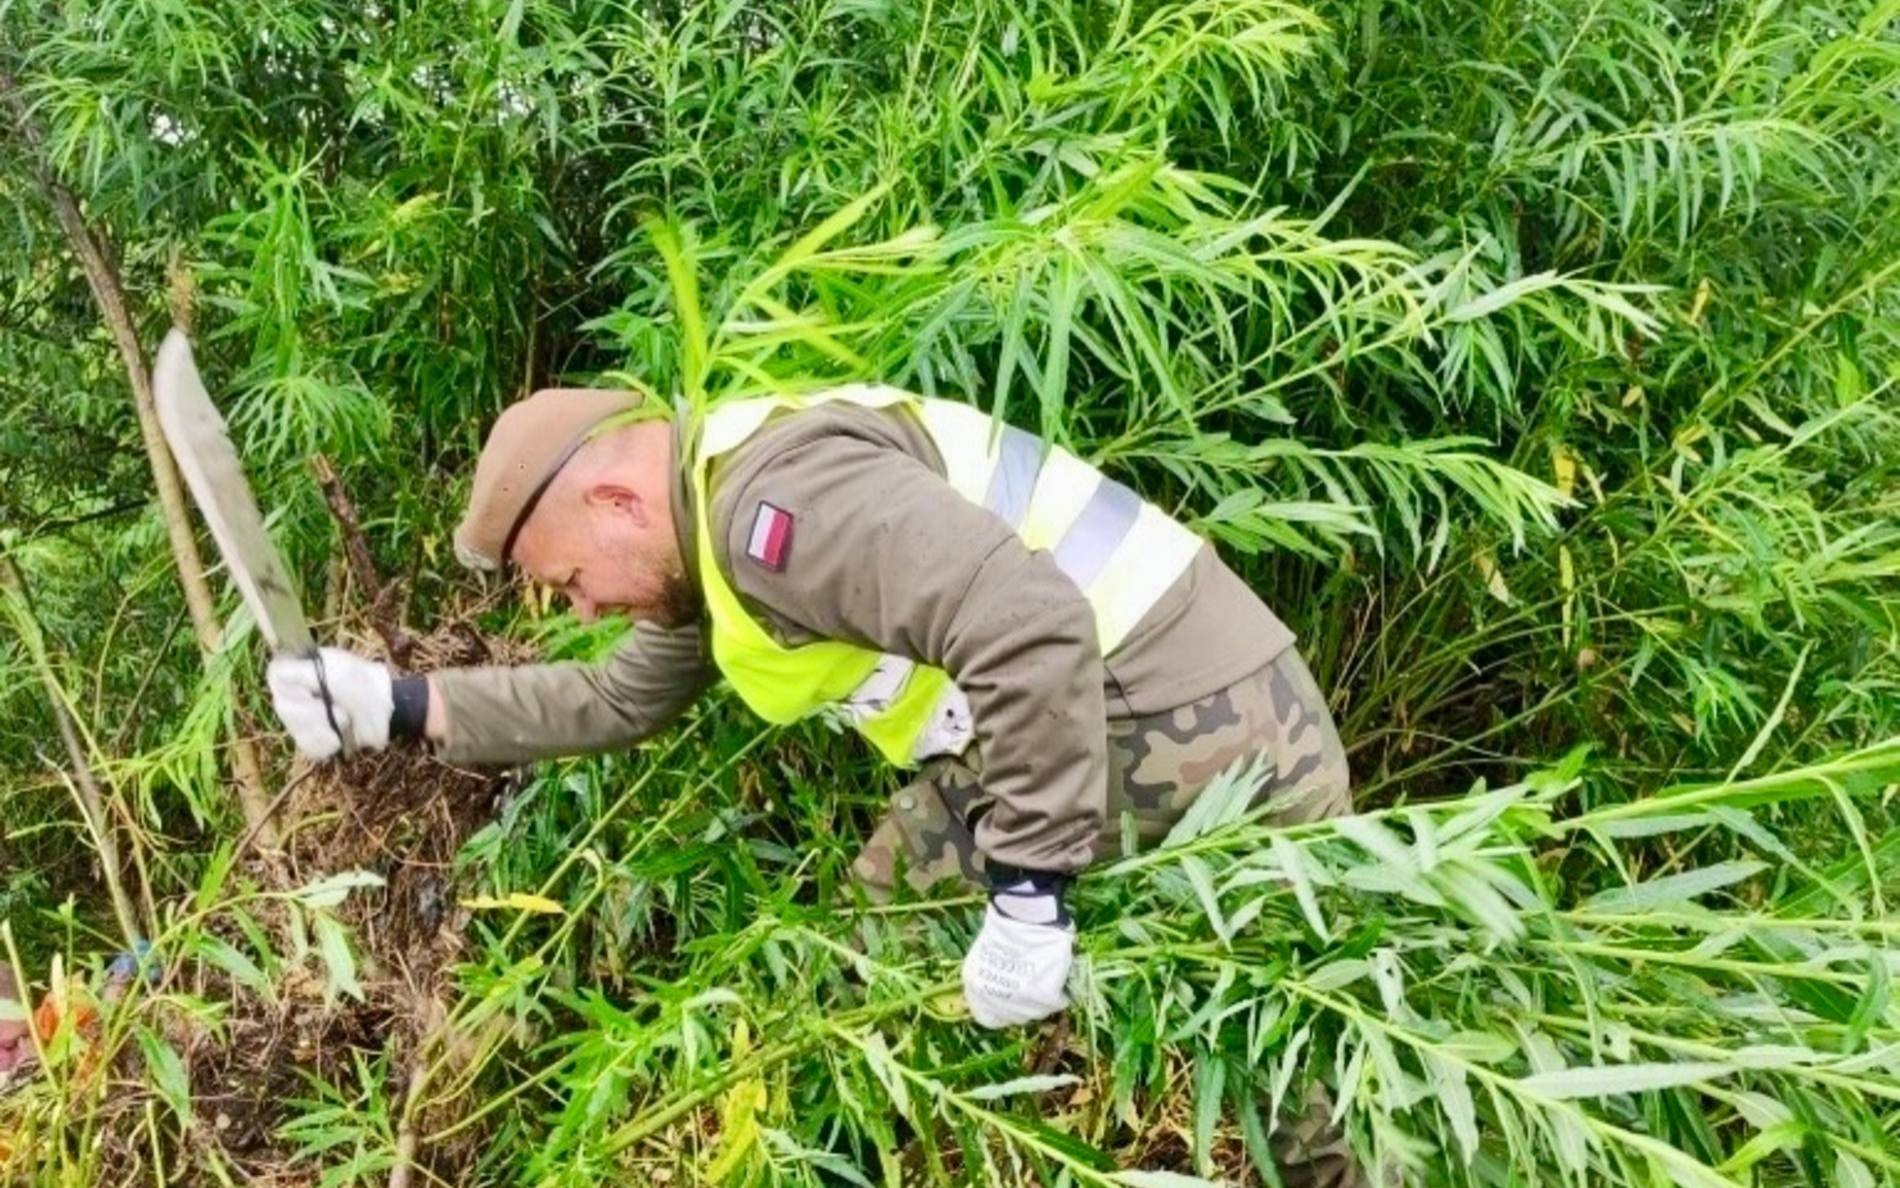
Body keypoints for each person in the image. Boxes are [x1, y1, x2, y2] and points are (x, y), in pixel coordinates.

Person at [267, 381, 1350, 1039]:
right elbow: (610, 700)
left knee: (878, 961)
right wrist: (393, 705)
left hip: (1182, 719)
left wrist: (1027, 891)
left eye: (567, 581)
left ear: (616, 501)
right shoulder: (708, 528)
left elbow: (1024, 619)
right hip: (1177, 704)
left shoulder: (770, 507)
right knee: (1288, 1042)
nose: (581, 606)